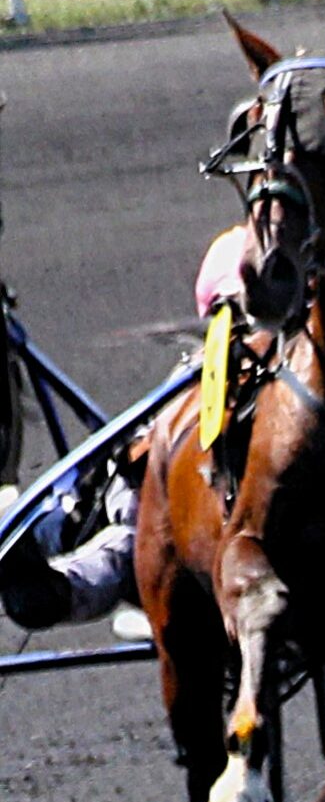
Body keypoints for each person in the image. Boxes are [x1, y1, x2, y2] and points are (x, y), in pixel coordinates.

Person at [3, 226, 248, 633]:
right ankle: (23, 541)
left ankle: (52, 588)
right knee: (77, 514)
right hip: (126, 490)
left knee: (122, 545)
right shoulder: (199, 374)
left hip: (175, 526)